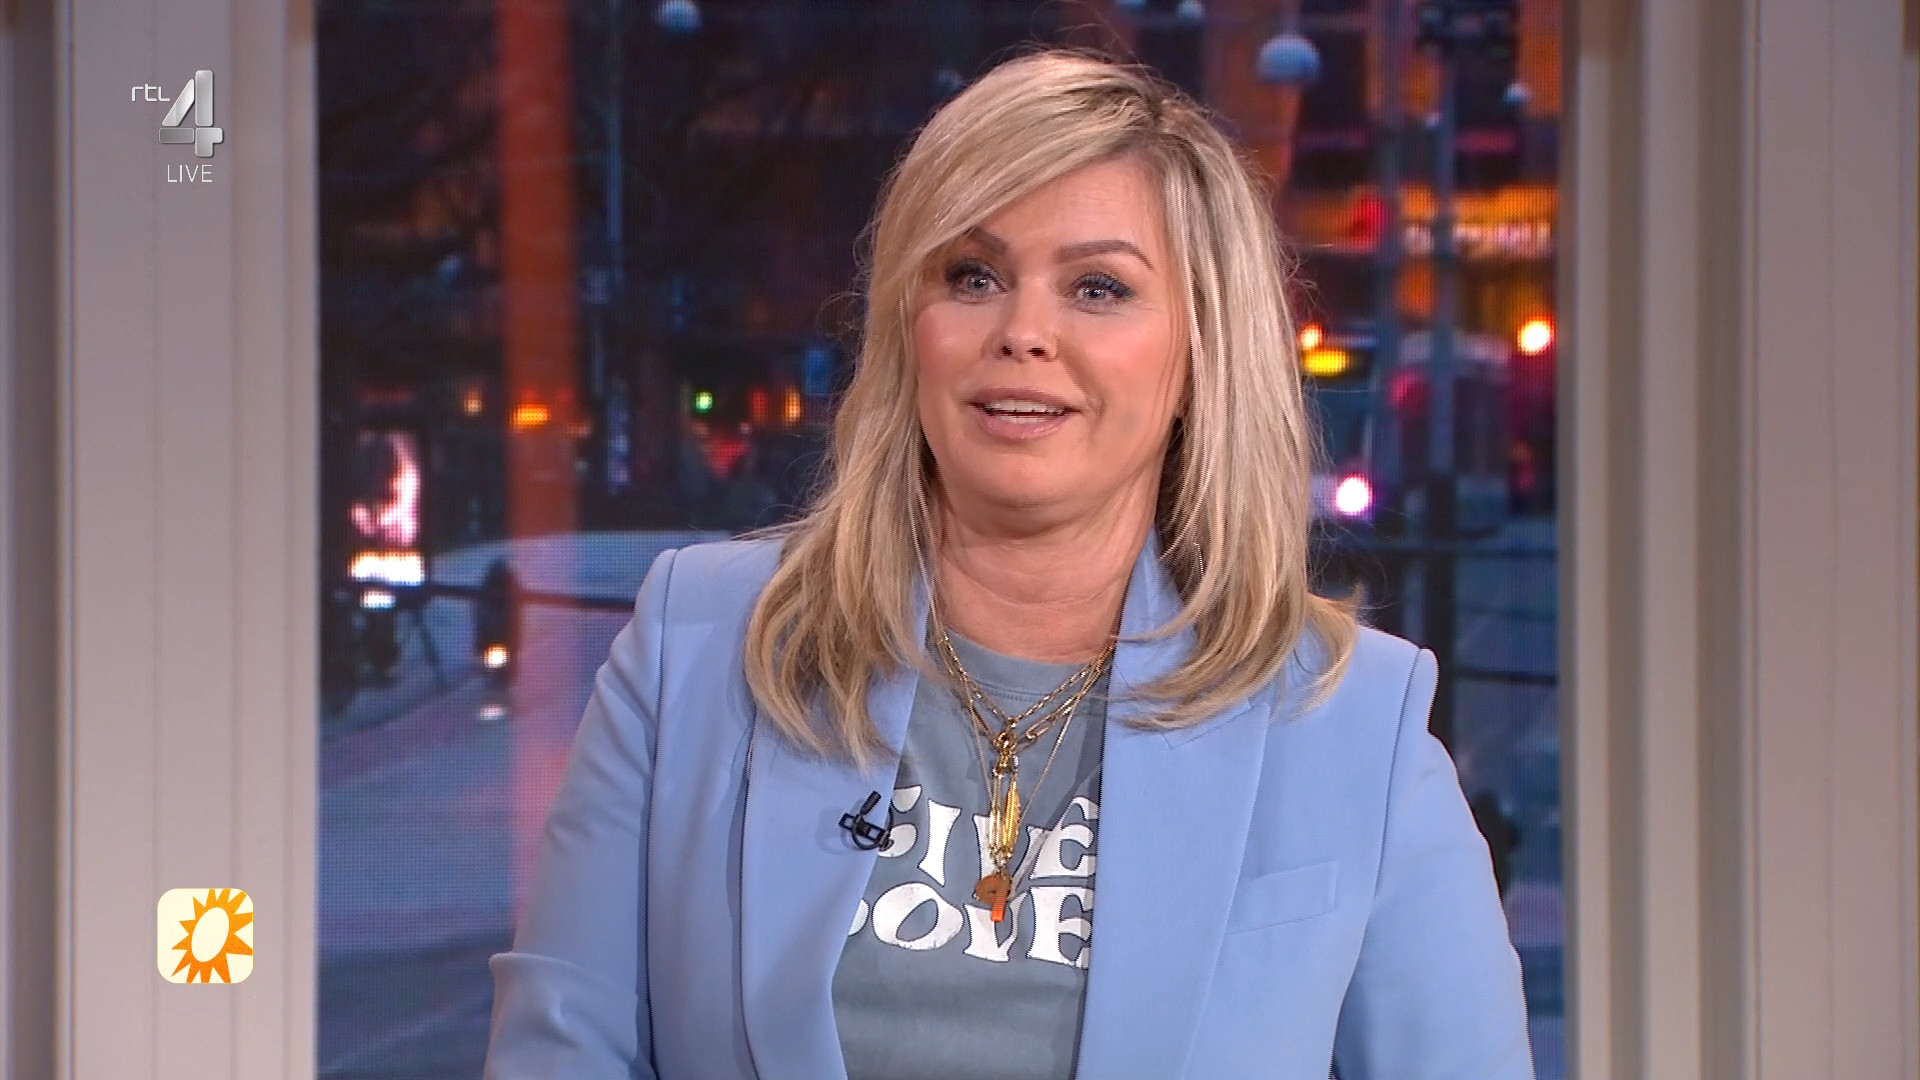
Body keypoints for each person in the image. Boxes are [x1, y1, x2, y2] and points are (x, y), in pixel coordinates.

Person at [483, 49, 1534, 1080]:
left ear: (1199, 354)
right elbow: (562, 1052)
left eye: (1099, 288)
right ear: (909, 325)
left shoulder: (1353, 725)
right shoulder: (697, 647)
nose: (1023, 331)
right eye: (973, 276)